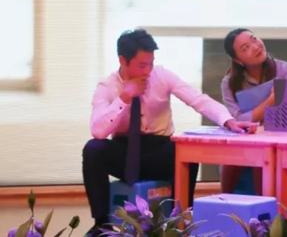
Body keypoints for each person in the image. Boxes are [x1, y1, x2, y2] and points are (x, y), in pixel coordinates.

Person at [82, 29, 255, 235]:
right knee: (93, 149)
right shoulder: (107, 86)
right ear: (123, 61)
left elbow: (197, 99)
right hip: (124, 152)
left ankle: (180, 221)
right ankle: (101, 224)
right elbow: (98, 131)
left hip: (159, 151)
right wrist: (124, 98)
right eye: (142, 65)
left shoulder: (161, 75)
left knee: (187, 152)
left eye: (151, 63)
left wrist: (228, 121)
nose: (148, 70)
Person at [219, 28, 287, 193]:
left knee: (262, 151)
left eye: (254, 39)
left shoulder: (285, 70)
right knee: (233, 154)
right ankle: (226, 200)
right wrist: (270, 101)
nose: (255, 47)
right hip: (246, 141)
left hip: (281, 138)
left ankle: (271, 206)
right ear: (238, 60)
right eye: (245, 48)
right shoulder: (229, 82)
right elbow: (237, 120)